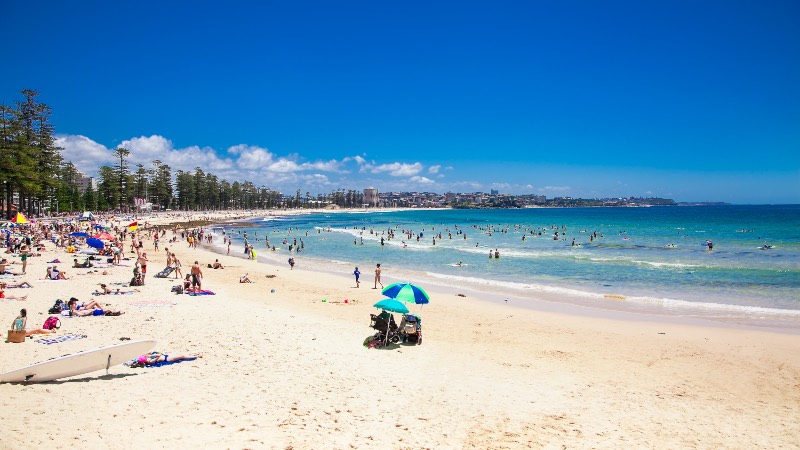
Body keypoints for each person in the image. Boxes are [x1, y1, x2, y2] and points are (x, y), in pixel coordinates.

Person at [133, 351, 202, 366]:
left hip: (166, 356)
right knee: (182, 356)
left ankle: (194, 354)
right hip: (167, 359)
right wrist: (150, 356)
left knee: (180, 354)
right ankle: (196, 356)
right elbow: (159, 356)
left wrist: (148, 355)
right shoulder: (150, 361)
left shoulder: (148, 359)